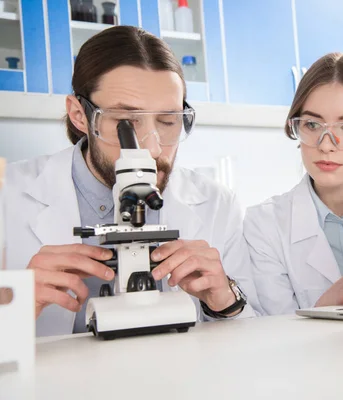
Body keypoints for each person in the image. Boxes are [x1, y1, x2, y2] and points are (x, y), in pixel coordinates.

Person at [3, 26, 263, 336]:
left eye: (168, 122)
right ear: (78, 115)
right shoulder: (9, 195)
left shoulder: (217, 204)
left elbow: (253, 337)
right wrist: (14, 308)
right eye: (126, 123)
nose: (152, 149)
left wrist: (223, 301)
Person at [244, 53, 343, 315]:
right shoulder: (265, 224)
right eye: (312, 124)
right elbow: (271, 336)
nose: (326, 145)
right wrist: (325, 307)